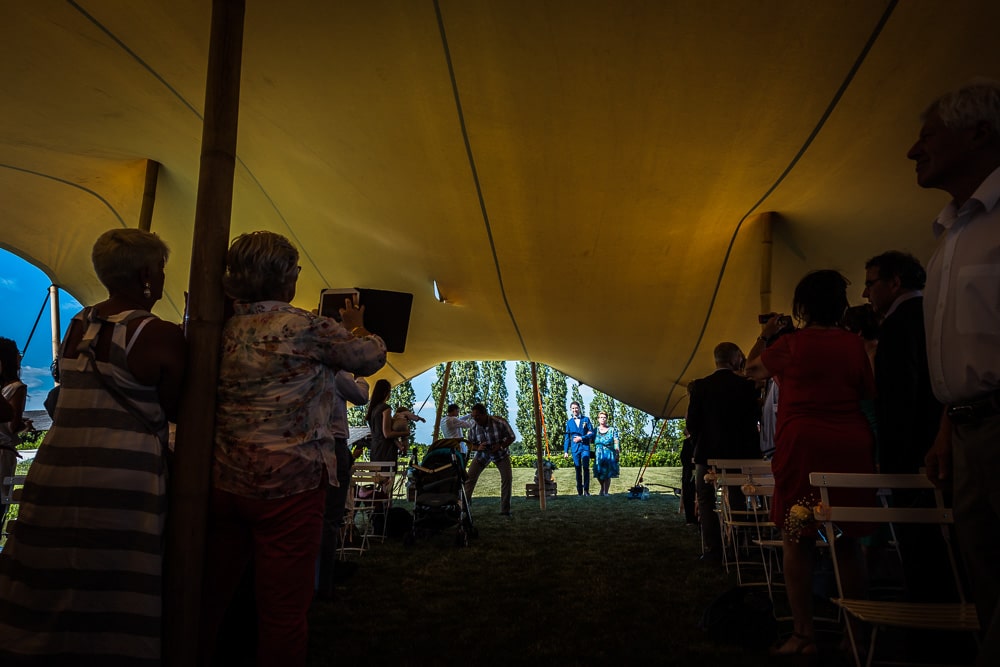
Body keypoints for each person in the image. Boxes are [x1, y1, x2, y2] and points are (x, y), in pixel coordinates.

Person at [0, 228, 186, 664]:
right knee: (114, 579)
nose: (161, 278)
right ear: (145, 273)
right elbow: (178, 406)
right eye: (159, 268)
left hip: (60, 464)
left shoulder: (80, 323)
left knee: (56, 574)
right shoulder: (157, 334)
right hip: (123, 474)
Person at [203, 230, 386, 666]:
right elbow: (370, 356)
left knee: (212, 597)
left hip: (226, 481)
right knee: (283, 611)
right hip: (292, 487)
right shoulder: (304, 327)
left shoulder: (221, 326)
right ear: (283, 276)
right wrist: (356, 323)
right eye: (297, 269)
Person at [909, 80, 1000, 665]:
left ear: (980, 132)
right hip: (967, 436)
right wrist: (948, 423)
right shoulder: (950, 234)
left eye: (927, 137)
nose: (913, 152)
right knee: (987, 583)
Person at [745, 270, 876, 657]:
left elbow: (751, 369)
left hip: (803, 448)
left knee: (796, 537)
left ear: (801, 307)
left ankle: (804, 634)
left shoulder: (792, 345)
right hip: (851, 446)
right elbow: (868, 389)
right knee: (849, 538)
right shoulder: (854, 345)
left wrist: (768, 334)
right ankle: (855, 635)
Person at [686, 342, 761, 563]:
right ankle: (739, 544)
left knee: (705, 497)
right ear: (735, 358)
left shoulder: (700, 386)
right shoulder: (746, 386)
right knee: (739, 496)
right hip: (741, 454)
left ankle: (713, 548)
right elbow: (755, 417)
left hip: (708, 453)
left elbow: (692, 423)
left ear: (716, 359)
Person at [316, 370, 369, 600]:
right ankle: (323, 585)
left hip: (309, 442)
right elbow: (361, 396)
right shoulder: (338, 372)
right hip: (334, 445)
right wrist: (361, 376)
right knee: (329, 519)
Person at [463, 403, 515, 517]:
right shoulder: (473, 427)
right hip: (482, 455)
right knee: (469, 478)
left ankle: (505, 510)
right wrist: (478, 447)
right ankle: (463, 507)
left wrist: (500, 445)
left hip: (500, 454)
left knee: (507, 479)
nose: (475, 419)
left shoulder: (500, 422)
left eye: (477, 416)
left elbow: (512, 436)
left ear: (485, 414)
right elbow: (470, 444)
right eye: (473, 417)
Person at [0, 338, 27, 530]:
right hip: (3, 454)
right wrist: (24, 426)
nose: (20, 356)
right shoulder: (17, 388)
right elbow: (12, 425)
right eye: (17, 352)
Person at [365, 379, 409, 462]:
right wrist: (405, 433)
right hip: (386, 451)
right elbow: (387, 434)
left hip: (375, 449)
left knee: (376, 474)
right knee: (387, 474)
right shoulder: (385, 408)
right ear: (386, 392)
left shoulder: (373, 409)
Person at [562, 401, 595, 496]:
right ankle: (579, 491)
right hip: (574, 449)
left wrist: (582, 437)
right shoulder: (569, 423)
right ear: (571, 410)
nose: (575, 410)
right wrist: (565, 451)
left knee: (586, 468)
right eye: (573, 408)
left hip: (585, 447)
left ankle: (586, 490)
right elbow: (567, 438)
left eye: (576, 408)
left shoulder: (586, 419)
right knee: (577, 469)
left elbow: (591, 432)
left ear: (579, 408)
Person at [591, 411, 620, 496]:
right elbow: (590, 440)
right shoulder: (595, 430)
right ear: (598, 419)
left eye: (604, 417)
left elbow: (616, 441)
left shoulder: (612, 430)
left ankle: (606, 492)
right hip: (598, 454)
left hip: (609, 453)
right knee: (598, 472)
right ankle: (602, 488)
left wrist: (617, 452)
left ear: (606, 419)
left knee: (608, 473)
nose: (603, 419)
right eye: (601, 417)